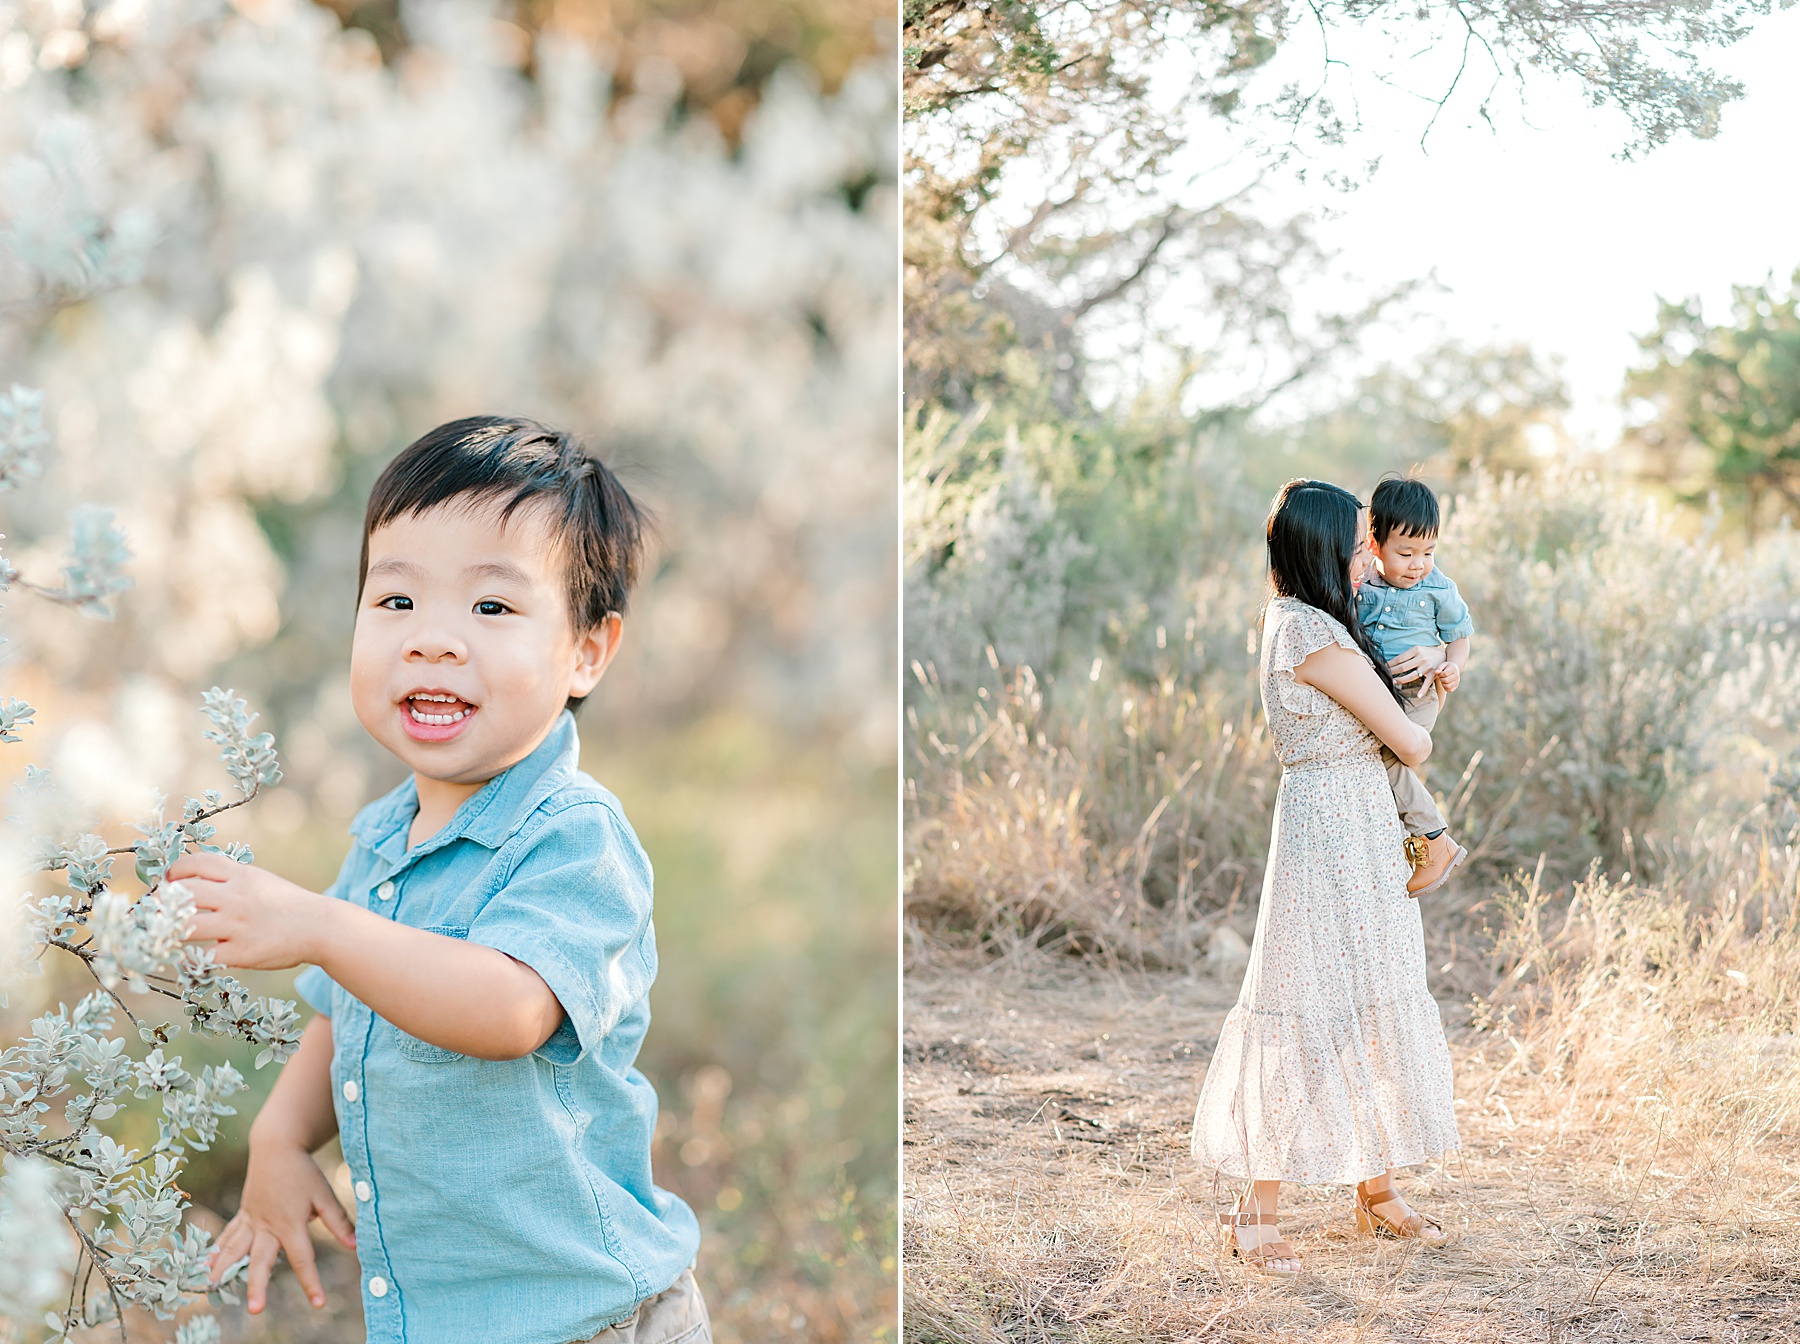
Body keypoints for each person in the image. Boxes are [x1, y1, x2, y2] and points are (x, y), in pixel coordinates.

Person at [171, 418, 710, 1344]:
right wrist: (279, 1138)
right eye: (396, 603)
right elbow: (343, 1012)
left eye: (492, 610)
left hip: (585, 1317)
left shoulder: (576, 839)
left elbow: (506, 1011)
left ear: (588, 650)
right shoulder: (383, 838)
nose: (433, 642)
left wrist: (322, 927)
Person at [1190, 478, 1461, 1279]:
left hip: (1360, 826)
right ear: (1320, 552)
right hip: (1327, 832)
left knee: (1372, 995)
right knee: (1302, 1002)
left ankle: (1375, 1193)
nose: (1366, 560)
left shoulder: (1319, 620)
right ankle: (1255, 1214)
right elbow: (1411, 744)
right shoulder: (1310, 632)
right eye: (1354, 548)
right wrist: (1433, 685)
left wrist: (1442, 651)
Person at [1355, 475, 1474, 897]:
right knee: (1373, 759)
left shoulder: (1439, 587)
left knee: (1387, 755)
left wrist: (1451, 665)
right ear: (1374, 545)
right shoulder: (1360, 582)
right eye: (1405, 553)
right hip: (1377, 691)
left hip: (1418, 692)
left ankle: (1432, 837)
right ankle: (1408, 842)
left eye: (1428, 551)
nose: (1418, 564)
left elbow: (1460, 635)